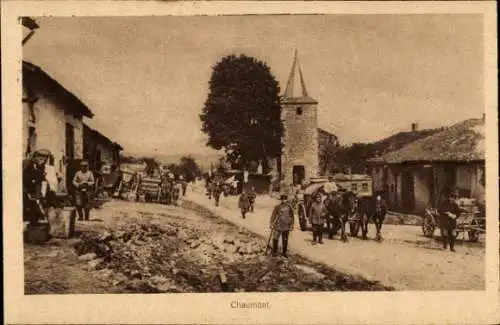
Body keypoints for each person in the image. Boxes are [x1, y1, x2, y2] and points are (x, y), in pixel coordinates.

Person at [23, 150, 50, 227]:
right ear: (35, 157)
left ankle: (34, 224)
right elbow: (21, 180)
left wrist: (39, 195)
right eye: (41, 159)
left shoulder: (41, 166)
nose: (43, 162)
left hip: (33, 188)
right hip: (24, 187)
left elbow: (39, 181)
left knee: (35, 205)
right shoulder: (27, 164)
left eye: (45, 160)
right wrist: (27, 193)